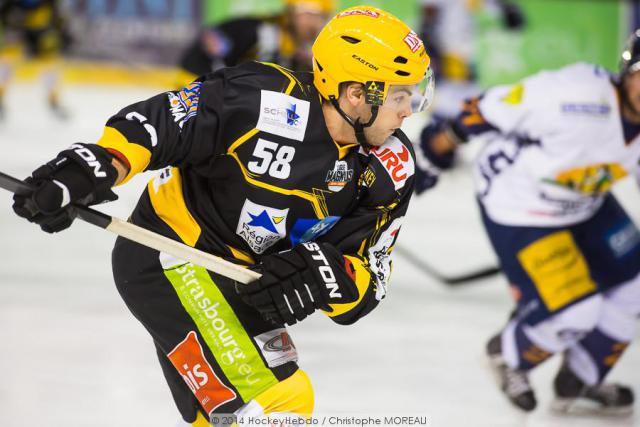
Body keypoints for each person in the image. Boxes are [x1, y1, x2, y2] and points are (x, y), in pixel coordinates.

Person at [12, 6, 433, 426]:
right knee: (279, 401)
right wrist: (95, 166)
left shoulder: (390, 167)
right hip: (172, 254)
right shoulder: (259, 98)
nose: (409, 110)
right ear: (356, 94)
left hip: (241, 285)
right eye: (400, 95)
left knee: (226, 417)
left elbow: (369, 276)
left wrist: (329, 275)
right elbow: (162, 124)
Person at [415, 30, 640, 415]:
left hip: (585, 200)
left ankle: (581, 377)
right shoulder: (574, 96)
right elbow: (487, 108)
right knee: (575, 311)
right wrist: (434, 151)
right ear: (627, 71)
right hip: (520, 206)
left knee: (634, 287)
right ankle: (505, 355)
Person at [177, 0, 334, 87]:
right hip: (194, 86)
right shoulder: (261, 31)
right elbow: (209, 44)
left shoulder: (301, 49)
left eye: (321, 17)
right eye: (310, 15)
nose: (315, 24)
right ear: (291, 12)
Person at [0, 0, 71, 119]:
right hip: (17, 27)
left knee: (50, 64)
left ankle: (54, 100)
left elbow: (58, 16)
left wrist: (61, 32)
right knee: (6, 61)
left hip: (39, 30)